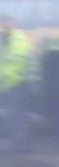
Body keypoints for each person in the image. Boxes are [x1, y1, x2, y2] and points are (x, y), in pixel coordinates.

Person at [0, 17, 36, 152]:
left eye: (3, 25)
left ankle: (22, 145)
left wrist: (5, 82)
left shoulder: (17, 42)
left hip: (17, 85)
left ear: (11, 25)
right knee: (18, 115)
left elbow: (15, 66)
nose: (1, 29)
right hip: (16, 84)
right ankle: (20, 143)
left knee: (17, 115)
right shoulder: (12, 41)